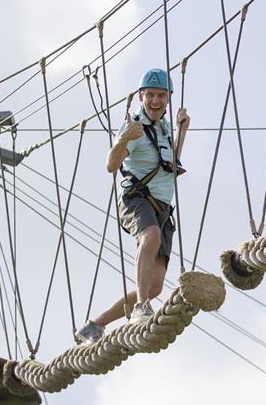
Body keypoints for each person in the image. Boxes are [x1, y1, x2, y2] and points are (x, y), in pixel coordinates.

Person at [75, 68, 189, 344]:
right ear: (141, 96)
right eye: (150, 95)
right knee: (149, 237)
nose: (155, 101)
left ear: (168, 98)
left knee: (154, 286)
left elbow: (169, 166)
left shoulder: (162, 128)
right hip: (136, 199)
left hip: (162, 207)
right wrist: (123, 138)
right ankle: (140, 307)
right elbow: (111, 166)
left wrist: (181, 132)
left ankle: (95, 325)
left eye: (161, 95)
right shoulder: (135, 128)